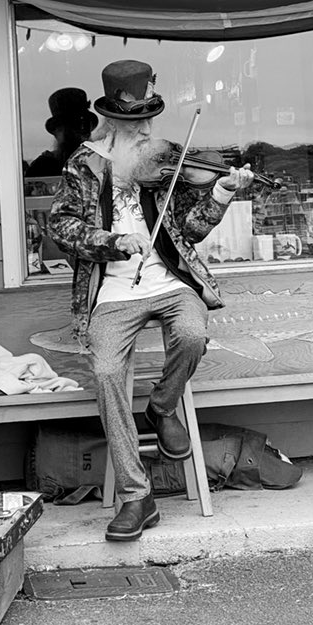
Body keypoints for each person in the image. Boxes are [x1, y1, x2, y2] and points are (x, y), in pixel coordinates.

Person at [47, 60, 254, 541]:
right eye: (134, 120)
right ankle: (136, 498)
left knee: (192, 332)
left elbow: (192, 230)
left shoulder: (165, 159)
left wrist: (221, 193)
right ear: (112, 119)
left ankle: (161, 408)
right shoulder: (84, 164)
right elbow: (61, 227)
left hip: (169, 283)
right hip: (112, 292)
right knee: (105, 373)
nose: (144, 128)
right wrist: (111, 241)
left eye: (147, 118)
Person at [26, 87, 98, 177]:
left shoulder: (101, 164)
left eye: (83, 127)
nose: (77, 134)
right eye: (70, 128)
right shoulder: (43, 166)